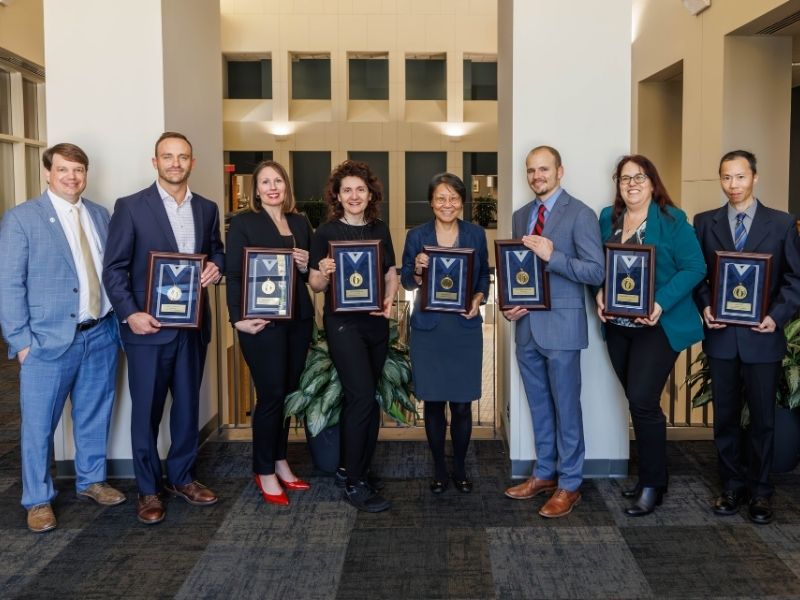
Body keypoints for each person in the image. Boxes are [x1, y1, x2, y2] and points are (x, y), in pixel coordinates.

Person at [0, 143, 125, 533]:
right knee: (39, 425)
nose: (72, 177)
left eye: (79, 170)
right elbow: (8, 285)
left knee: (94, 412)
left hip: (100, 333)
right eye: (64, 170)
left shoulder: (100, 215)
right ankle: (37, 499)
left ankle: (91, 481)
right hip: (47, 341)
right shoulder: (22, 219)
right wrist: (21, 341)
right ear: (49, 173)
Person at [103, 132, 225, 525]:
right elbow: (114, 269)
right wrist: (130, 313)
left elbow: (216, 249)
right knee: (147, 413)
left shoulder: (206, 208)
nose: (176, 163)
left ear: (193, 162)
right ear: (155, 162)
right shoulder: (131, 207)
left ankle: (183, 478)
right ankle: (148, 489)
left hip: (192, 327)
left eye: (183, 157)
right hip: (148, 329)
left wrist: (216, 267)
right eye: (168, 157)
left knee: (188, 409)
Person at [693, 150, 800, 525]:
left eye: (740, 177)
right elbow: (698, 275)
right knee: (723, 417)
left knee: (763, 420)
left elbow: (795, 279)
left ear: (754, 177)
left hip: (761, 336)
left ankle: (761, 491)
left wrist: (776, 316)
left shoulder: (783, 223)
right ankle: (732, 486)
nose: (733, 185)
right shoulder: (705, 222)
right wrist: (705, 305)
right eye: (726, 177)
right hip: (722, 336)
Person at [596, 155, 706, 516]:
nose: (631, 183)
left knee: (642, 401)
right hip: (618, 328)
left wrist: (659, 302)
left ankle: (653, 484)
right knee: (640, 404)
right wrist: (599, 292)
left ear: (653, 182)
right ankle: (650, 477)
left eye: (639, 176)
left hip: (657, 327)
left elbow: (696, 267)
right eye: (624, 178)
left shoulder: (674, 222)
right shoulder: (607, 219)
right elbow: (602, 266)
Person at [503, 145, 604, 518]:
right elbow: (519, 272)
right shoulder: (520, 216)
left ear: (560, 171)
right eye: (531, 171)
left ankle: (570, 483)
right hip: (526, 326)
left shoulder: (580, 214)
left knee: (566, 408)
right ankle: (544, 473)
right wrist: (511, 304)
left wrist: (552, 256)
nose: (536, 177)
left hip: (562, 328)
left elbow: (596, 272)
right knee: (539, 407)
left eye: (543, 169)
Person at [309, 160, 398, 513]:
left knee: (365, 397)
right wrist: (323, 272)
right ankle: (354, 482)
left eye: (360, 189)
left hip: (375, 323)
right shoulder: (325, 233)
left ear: (370, 193)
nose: (354, 195)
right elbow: (315, 285)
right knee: (360, 397)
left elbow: (390, 271)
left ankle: (351, 466)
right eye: (347, 190)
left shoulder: (380, 228)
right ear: (337, 196)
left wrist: (390, 298)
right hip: (343, 325)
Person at [226, 160, 313, 506]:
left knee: (288, 393)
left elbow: (312, 274)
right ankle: (263, 469)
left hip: (299, 320)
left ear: (286, 186)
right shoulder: (243, 223)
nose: (272, 187)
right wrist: (236, 319)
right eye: (265, 182)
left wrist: (308, 266)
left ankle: (279, 459)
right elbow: (234, 275)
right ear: (256, 190)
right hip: (260, 323)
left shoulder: (300, 222)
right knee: (271, 395)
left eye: (278, 180)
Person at [400, 173, 490, 494]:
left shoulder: (476, 234)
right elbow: (407, 282)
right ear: (431, 202)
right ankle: (439, 467)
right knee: (435, 403)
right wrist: (419, 268)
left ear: (462, 202)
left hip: (464, 327)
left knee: (463, 404)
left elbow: (482, 279)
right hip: (429, 329)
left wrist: (478, 300)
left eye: (453, 198)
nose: (447, 204)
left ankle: (460, 467)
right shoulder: (416, 236)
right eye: (441, 198)